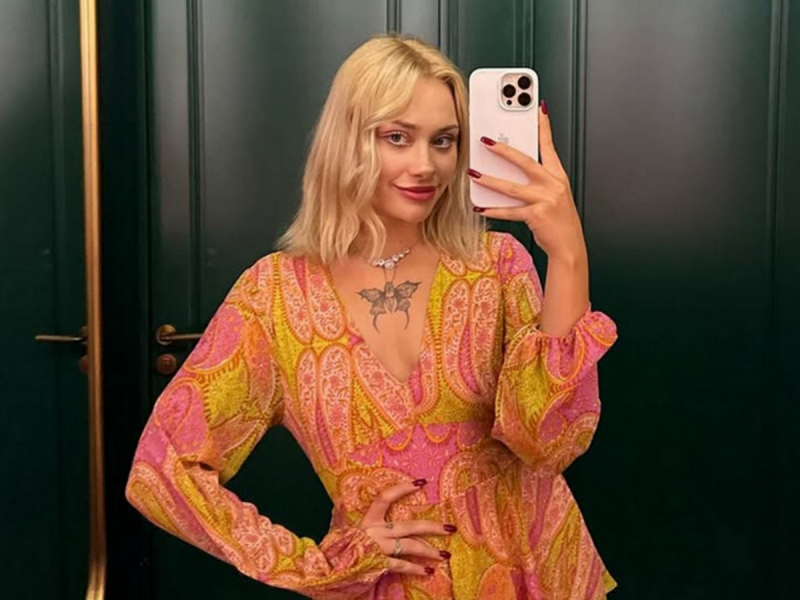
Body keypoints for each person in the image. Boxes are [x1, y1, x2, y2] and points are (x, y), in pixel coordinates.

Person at [126, 33, 619, 599]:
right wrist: (312, 567)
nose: (425, 165)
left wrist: (567, 254)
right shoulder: (274, 296)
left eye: (444, 140)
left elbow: (549, 446)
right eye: (397, 137)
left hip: (535, 580)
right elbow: (161, 470)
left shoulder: (496, 266)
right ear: (346, 140)